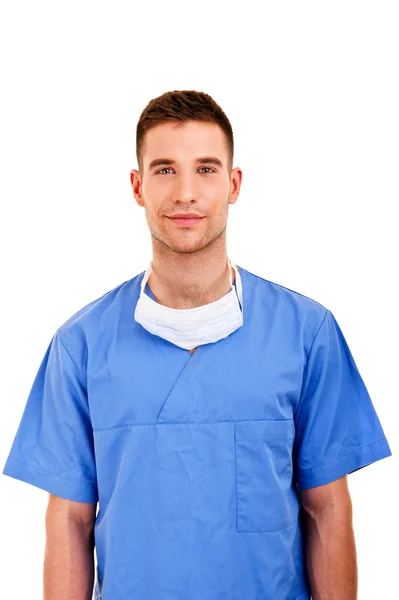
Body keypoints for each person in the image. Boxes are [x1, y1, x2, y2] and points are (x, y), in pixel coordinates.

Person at [3, 89, 392, 600]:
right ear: (137, 187)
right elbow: (70, 522)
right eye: (165, 170)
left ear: (233, 184)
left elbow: (328, 509)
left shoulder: (306, 333)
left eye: (206, 169)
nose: (186, 192)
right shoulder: (81, 345)